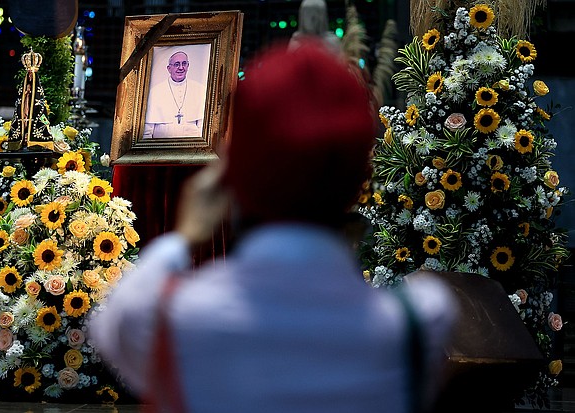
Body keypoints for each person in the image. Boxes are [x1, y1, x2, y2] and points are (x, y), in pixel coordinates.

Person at [88, 40, 458, 413]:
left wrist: (184, 237)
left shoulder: (176, 321)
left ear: (234, 172)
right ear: (360, 176)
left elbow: (117, 321)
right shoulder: (420, 325)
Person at [143, 50, 207, 138]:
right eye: (177, 64)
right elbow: (147, 130)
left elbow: (202, 126)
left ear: (188, 66)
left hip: (190, 147)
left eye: (184, 64)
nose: (181, 68)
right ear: (169, 69)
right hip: (161, 147)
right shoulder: (156, 91)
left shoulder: (200, 89)